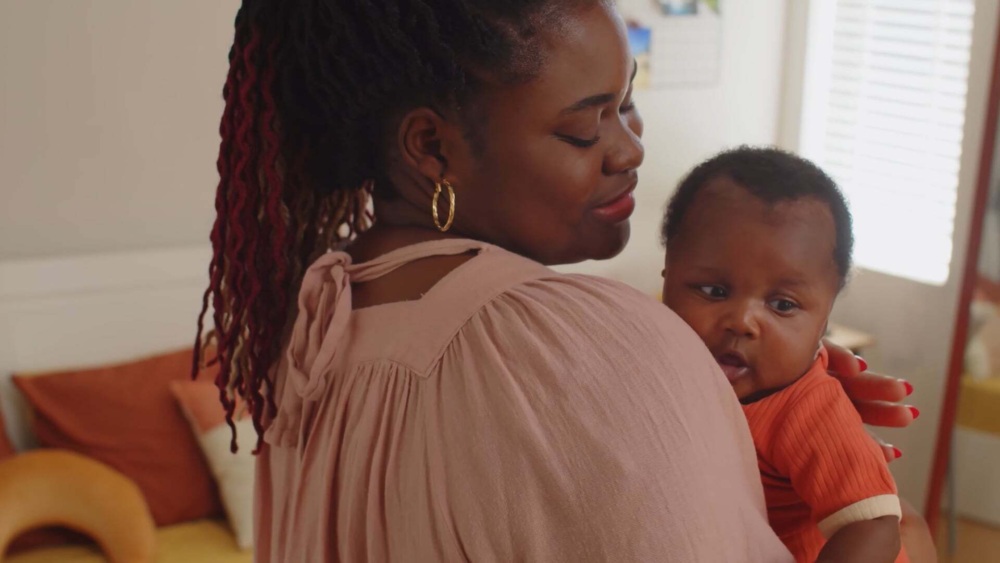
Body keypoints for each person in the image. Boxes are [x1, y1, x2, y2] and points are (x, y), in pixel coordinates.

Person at [197, 1, 916, 560]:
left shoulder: (317, 322)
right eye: (583, 129)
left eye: (625, 102)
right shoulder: (586, 345)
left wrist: (746, 426)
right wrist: (909, 527)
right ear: (432, 147)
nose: (630, 148)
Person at [661, 147, 908, 562]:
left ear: (826, 316)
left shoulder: (808, 409)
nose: (741, 321)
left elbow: (873, 526)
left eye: (783, 305)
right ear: (668, 273)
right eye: (713, 291)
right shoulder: (650, 354)